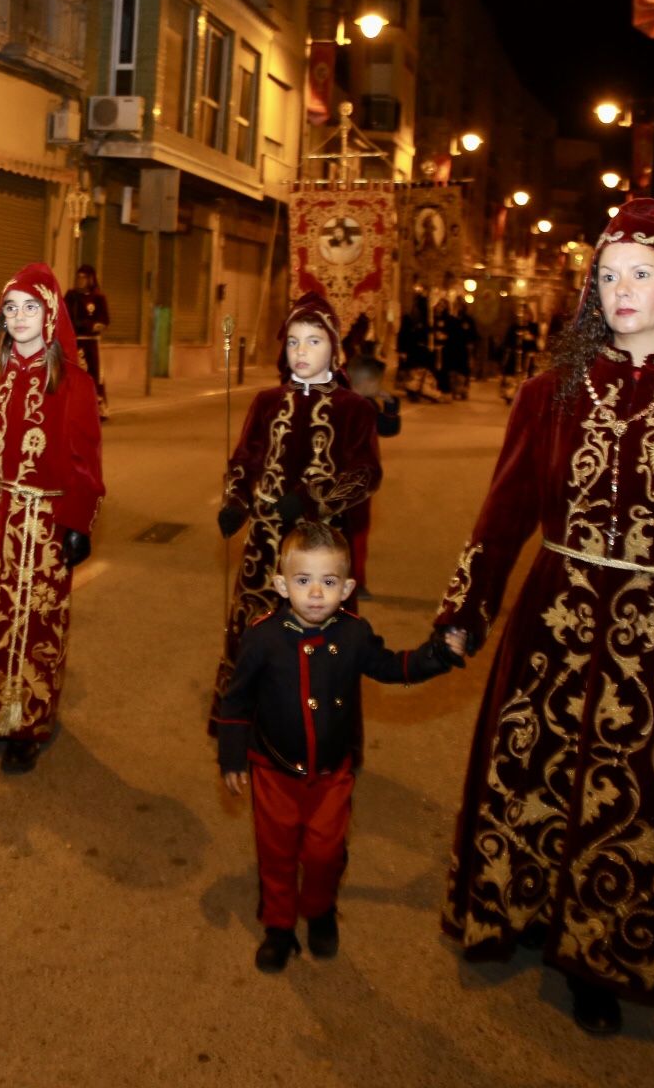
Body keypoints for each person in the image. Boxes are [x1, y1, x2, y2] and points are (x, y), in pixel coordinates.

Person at [433, 199, 654, 1036]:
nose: (620, 288)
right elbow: (505, 510)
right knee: (536, 770)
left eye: (640, 272)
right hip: (555, 617)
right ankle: (519, 910)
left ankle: (601, 952)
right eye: (607, 275)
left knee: (632, 795)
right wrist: (465, 612)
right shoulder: (551, 390)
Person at [215, 522, 462, 973]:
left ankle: (321, 908)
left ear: (347, 587)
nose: (314, 593)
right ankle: (279, 927)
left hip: (332, 772)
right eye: (303, 581)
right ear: (280, 585)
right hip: (273, 767)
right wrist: (232, 755)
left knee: (325, 853)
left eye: (328, 582)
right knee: (276, 851)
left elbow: (392, 667)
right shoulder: (263, 636)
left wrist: (437, 655)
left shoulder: (353, 633)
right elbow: (236, 698)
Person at [0, 263, 105, 774]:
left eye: (30, 307)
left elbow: (86, 460)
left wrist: (78, 522)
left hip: (42, 518)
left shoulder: (73, 381)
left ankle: (24, 721)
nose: (18, 317)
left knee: (32, 623)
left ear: (51, 313)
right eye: (10, 308)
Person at [213, 293, 381, 729]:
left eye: (313, 341)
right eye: (292, 342)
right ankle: (244, 722)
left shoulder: (353, 409)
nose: (300, 352)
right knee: (256, 631)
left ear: (335, 348)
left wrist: (313, 500)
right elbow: (244, 459)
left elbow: (365, 473)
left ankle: (313, 729)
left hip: (318, 548)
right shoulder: (267, 402)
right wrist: (236, 501)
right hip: (264, 547)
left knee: (315, 639)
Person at [342, 356, 400, 596]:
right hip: (355, 477)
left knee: (351, 530)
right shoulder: (359, 406)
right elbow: (386, 430)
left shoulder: (365, 403)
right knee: (356, 530)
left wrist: (390, 406)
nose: (380, 388)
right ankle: (354, 581)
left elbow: (388, 428)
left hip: (358, 478)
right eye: (377, 383)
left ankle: (350, 579)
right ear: (365, 383)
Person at [64, 264, 111, 418]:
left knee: (95, 375)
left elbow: (104, 319)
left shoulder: (98, 298)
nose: (80, 281)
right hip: (75, 341)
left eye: (83, 278)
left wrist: (98, 325)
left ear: (90, 279)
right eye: (78, 277)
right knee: (75, 374)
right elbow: (67, 317)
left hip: (92, 343)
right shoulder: (71, 297)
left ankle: (98, 407)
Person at [502, 303, 542, 404]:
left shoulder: (533, 327)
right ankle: (510, 394)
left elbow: (536, 342)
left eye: (526, 313)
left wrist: (530, 338)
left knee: (527, 376)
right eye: (522, 313)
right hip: (515, 355)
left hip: (528, 356)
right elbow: (508, 341)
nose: (524, 316)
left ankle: (525, 396)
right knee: (511, 376)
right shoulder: (514, 327)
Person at [443, 301, 478, 400]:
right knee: (452, 370)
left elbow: (472, 335)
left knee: (463, 371)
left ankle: (463, 390)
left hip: (463, 349)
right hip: (451, 348)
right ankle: (453, 390)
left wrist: (471, 348)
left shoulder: (468, 320)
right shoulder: (450, 319)